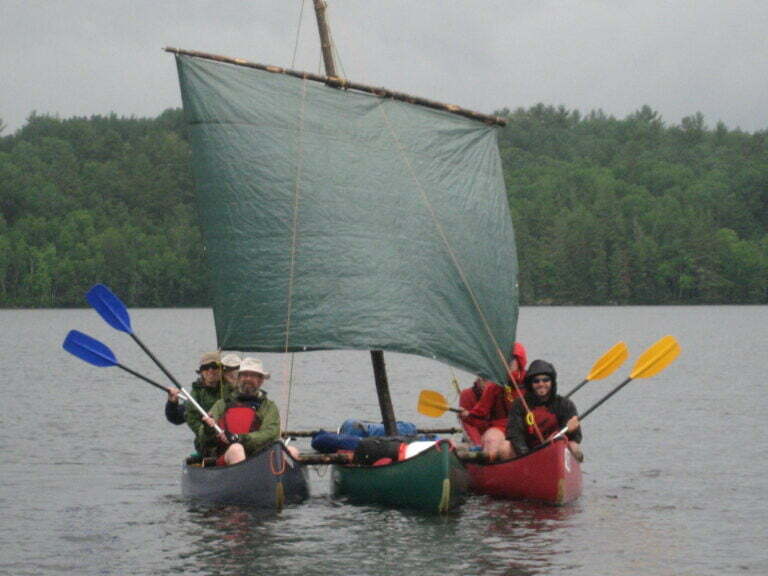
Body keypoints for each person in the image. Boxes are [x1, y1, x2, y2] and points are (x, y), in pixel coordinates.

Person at [199, 357, 285, 466]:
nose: (248, 379)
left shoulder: (269, 407)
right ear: (239, 378)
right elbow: (203, 438)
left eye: (253, 375)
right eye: (244, 375)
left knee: (292, 451)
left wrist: (239, 438)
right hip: (226, 458)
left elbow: (270, 433)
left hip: (259, 458)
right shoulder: (222, 404)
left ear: (261, 380)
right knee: (236, 449)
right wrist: (208, 428)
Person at [505, 359, 583, 461]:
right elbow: (514, 434)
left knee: (574, 446)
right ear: (530, 384)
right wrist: (528, 455)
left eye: (546, 380)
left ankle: (565, 474)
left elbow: (576, 437)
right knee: (505, 447)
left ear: (552, 382)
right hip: (527, 453)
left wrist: (571, 431)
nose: (541, 384)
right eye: (536, 381)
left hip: (556, 450)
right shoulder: (519, 405)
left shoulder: (565, 404)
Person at [460, 342, 527, 458]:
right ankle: (492, 463)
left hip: (528, 426)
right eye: (503, 360)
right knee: (491, 441)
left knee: (508, 447)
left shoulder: (532, 381)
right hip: (501, 427)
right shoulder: (493, 386)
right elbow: (479, 413)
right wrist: (468, 415)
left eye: (510, 359)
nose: (507, 363)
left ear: (519, 361)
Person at [164, 352, 241, 426]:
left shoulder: (231, 387)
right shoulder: (197, 393)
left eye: (214, 366)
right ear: (201, 372)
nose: (210, 370)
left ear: (221, 370)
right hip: (209, 434)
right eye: (206, 367)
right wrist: (172, 402)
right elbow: (176, 418)